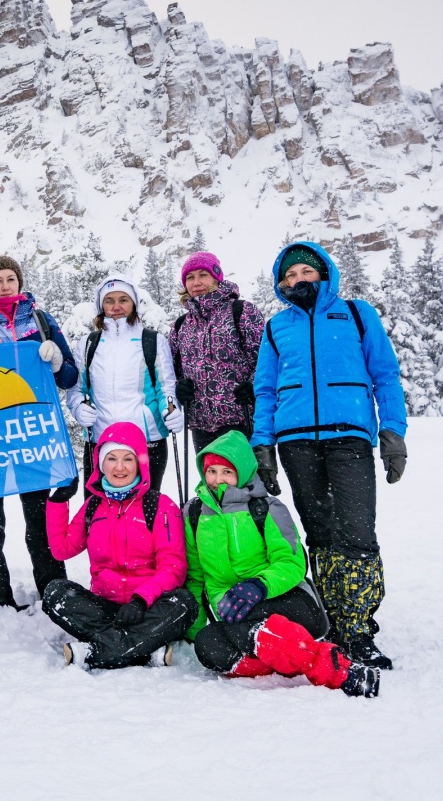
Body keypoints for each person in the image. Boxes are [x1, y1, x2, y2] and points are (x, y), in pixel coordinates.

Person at [251, 240, 408, 670]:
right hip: (295, 441)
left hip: (349, 437)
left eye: (305, 271)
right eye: (289, 275)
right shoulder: (275, 328)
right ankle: (334, 623)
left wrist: (393, 431)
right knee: (319, 533)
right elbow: (264, 390)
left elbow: (386, 375)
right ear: (281, 284)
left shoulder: (356, 314)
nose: (298, 280)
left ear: (324, 273)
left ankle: (357, 627)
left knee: (357, 532)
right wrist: (261, 445)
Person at [183, 430, 380, 697]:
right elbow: (195, 577)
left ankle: (339, 669)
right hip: (234, 615)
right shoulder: (195, 515)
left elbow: (292, 562)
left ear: (242, 472)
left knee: (253, 619)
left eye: (227, 472)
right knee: (208, 645)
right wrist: (193, 631)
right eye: (212, 472)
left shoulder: (267, 508)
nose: (218, 480)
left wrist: (259, 586)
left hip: (285, 601)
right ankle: (288, 660)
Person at [0, 255, 79, 610]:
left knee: (39, 517)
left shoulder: (43, 322)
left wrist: (57, 361)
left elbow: (70, 376)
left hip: (33, 435)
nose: (5, 285)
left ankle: (54, 591)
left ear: (19, 282)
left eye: (10, 279)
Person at [42, 422, 197, 669]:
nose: (120, 467)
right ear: (101, 464)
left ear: (139, 464)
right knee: (55, 593)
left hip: (149, 607)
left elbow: (174, 568)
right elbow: (62, 549)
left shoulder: (159, 506)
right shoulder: (94, 505)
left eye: (128, 459)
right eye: (111, 459)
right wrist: (59, 501)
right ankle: (142, 649)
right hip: (105, 607)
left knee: (184, 604)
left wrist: (141, 600)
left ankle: (95, 651)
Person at [65, 277, 181, 492]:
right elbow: (77, 388)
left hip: (148, 440)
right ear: (101, 306)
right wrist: (78, 407)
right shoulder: (89, 343)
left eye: (123, 300)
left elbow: (166, 387)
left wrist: (171, 410)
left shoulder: (152, 340)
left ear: (134, 304)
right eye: (109, 301)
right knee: (98, 512)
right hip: (101, 438)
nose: (116, 306)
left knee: (146, 509)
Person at [168, 250, 265, 453]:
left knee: (249, 483)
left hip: (242, 417)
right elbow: (172, 371)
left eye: (203, 275)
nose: (196, 282)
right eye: (190, 277)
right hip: (201, 424)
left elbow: (265, 361)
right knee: (211, 484)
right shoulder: (180, 325)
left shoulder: (242, 311)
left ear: (216, 277)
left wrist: (253, 385)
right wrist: (179, 388)